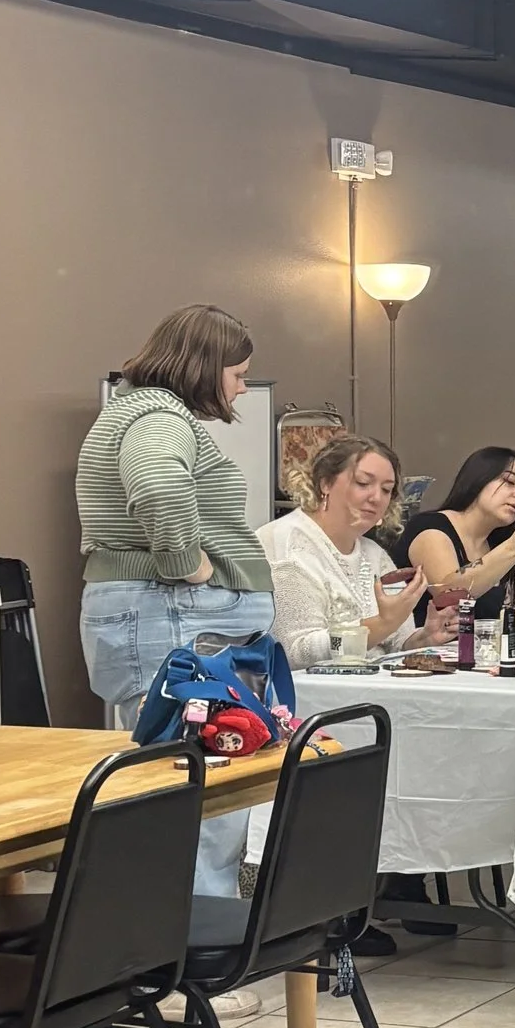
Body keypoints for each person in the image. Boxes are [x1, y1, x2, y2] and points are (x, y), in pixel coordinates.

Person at [75, 303, 274, 900]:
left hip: (160, 617)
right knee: (191, 793)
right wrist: (188, 563)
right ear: (204, 366)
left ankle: (175, 952)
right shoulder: (159, 416)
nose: (241, 387)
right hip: (169, 616)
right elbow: (159, 485)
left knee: (177, 787)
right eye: (237, 374)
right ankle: (188, 963)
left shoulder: (136, 410)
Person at [261, 435, 428, 668]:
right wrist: (380, 624)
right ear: (325, 483)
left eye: (386, 489)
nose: (376, 497)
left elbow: (397, 641)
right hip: (313, 698)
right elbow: (295, 652)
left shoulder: (374, 555)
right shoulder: (289, 547)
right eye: (362, 483)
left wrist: (426, 637)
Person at [402, 447, 515, 626]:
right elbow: (448, 595)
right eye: (509, 481)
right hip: (421, 651)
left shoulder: (496, 544)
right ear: (478, 480)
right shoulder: (430, 527)